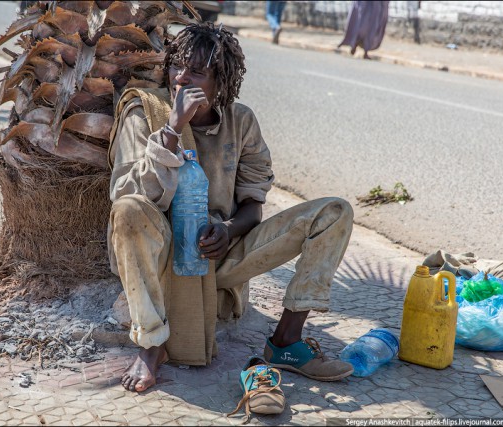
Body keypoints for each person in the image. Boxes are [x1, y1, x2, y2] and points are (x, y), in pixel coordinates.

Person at [108, 22, 355, 394]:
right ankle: (151, 344)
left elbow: (253, 206)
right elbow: (129, 195)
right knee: (127, 208)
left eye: (197, 72)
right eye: (177, 66)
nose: (181, 79)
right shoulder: (144, 114)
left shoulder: (241, 122)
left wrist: (228, 230)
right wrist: (173, 129)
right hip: (159, 252)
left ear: (220, 82)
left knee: (334, 212)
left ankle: (286, 342)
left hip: (219, 254)